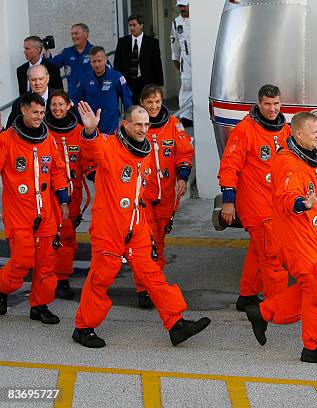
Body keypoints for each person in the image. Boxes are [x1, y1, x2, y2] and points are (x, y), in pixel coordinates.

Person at [72, 101, 210, 348]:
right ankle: (83, 328)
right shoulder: (109, 146)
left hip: (135, 227)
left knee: (153, 275)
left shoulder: (143, 151)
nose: (143, 129)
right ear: (125, 124)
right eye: (138, 124)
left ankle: (176, 324)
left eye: (146, 124)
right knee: (101, 278)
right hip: (109, 228)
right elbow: (90, 149)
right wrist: (91, 131)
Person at [245, 112, 317, 365]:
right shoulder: (287, 163)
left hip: (309, 237)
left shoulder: (303, 161)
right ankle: (313, 347)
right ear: (298, 134)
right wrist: (302, 203)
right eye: (315, 132)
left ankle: (262, 312)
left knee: (310, 288)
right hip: (296, 239)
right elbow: (286, 197)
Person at [218, 84, 290, 312]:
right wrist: (228, 201)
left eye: (276, 103)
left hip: (275, 201)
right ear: (259, 103)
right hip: (254, 202)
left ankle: (247, 296)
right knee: (273, 255)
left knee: (258, 251)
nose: (272, 109)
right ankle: (277, 305)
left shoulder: (283, 129)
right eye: (267, 104)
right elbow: (229, 166)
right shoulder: (245, 130)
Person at [0, 93, 69, 324]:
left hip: (45, 213)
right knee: (22, 260)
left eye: (42, 113)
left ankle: (39, 305)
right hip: (18, 213)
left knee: (47, 263)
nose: (40, 117)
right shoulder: (7, 140)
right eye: (35, 112)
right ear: (23, 110)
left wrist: (63, 200)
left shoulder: (47, 139)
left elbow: (58, 170)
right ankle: (2, 289)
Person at [136, 84, 193, 309]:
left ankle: (154, 283)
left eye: (157, 101)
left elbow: (184, 153)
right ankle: (144, 288)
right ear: (142, 103)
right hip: (142, 195)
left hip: (167, 194)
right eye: (149, 102)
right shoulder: (133, 126)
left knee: (158, 242)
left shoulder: (173, 125)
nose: (153, 106)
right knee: (145, 242)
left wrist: (183, 177)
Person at [44, 90, 94, 300]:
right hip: (47, 193)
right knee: (49, 237)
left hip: (73, 193)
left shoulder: (79, 131)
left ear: (68, 105)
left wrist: (95, 174)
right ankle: (52, 277)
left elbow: (87, 160)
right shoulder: (43, 131)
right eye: (53, 105)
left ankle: (61, 278)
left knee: (67, 237)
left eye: (60, 105)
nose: (57, 109)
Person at [73, 46, 132, 134]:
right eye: (94, 61)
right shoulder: (85, 79)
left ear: (105, 59)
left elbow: (127, 99)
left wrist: (128, 120)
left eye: (99, 61)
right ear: (90, 62)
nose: (97, 64)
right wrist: (82, 120)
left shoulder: (116, 77)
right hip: (92, 126)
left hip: (112, 126)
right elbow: (77, 100)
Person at [113, 15, 164, 104]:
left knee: (146, 106)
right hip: (128, 81)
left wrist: (159, 84)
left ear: (141, 25)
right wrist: (118, 80)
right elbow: (117, 63)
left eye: (134, 25)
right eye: (130, 25)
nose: (132, 28)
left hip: (146, 81)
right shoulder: (122, 42)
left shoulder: (152, 43)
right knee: (130, 108)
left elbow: (157, 64)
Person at [45, 23, 94, 102]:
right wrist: (46, 51)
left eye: (76, 33)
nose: (73, 36)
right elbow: (51, 67)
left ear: (86, 34)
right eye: (72, 34)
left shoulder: (95, 52)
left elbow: (107, 72)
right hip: (73, 99)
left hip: (92, 98)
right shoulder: (66, 52)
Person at [6, 65, 59, 129]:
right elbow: (11, 129)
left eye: (41, 79)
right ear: (28, 81)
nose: (37, 83)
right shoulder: (19, 103)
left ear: (47, 78)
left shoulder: (60, 98)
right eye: (34, 80)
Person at [170, 0, 192, 127]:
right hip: (186, 58)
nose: (182, 8)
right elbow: (174, 42)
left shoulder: (198, 19)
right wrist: (175, 58)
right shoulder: (176, 22)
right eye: (180, 6)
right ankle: (186, 116)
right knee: (186, 85)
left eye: (184, 6)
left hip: (200, 58)